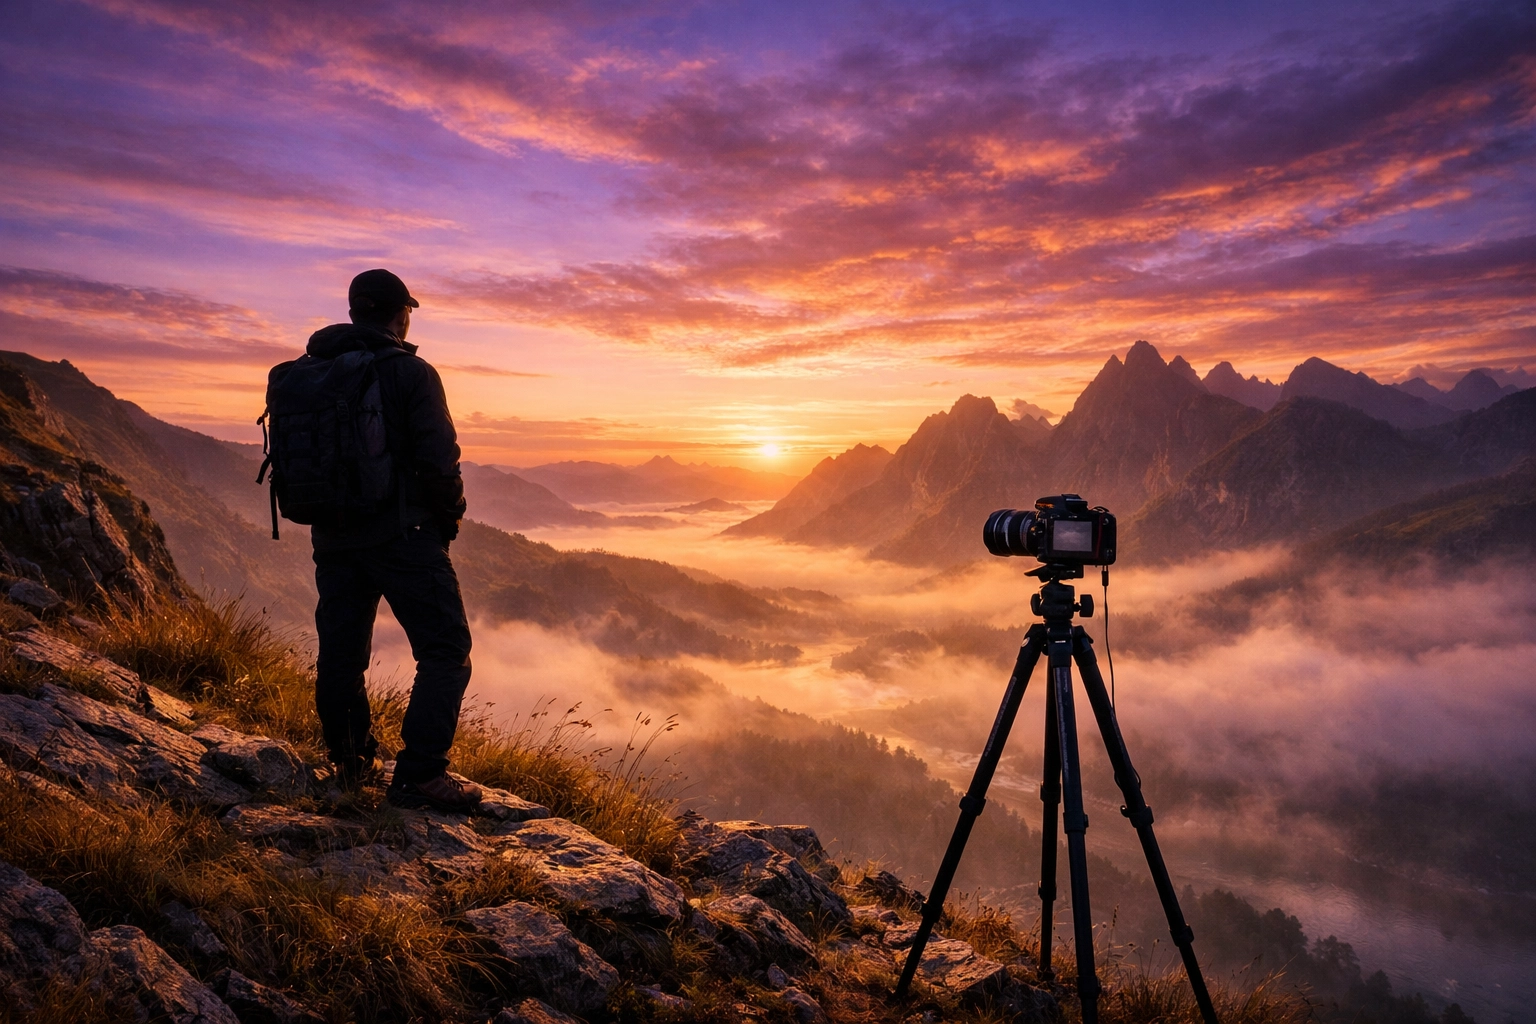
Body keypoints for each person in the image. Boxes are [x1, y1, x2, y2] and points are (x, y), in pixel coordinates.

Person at [306, 268, 480, 812]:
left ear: (356, 311)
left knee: (341, 654)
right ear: (400, 313)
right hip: (405, 534)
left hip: (333, 534)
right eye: (409, 310)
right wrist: (448, 520)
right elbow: (439, 459)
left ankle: (351, 763)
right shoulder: (412, 373)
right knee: (446, 651)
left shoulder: (313, 371)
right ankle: (421, 776)